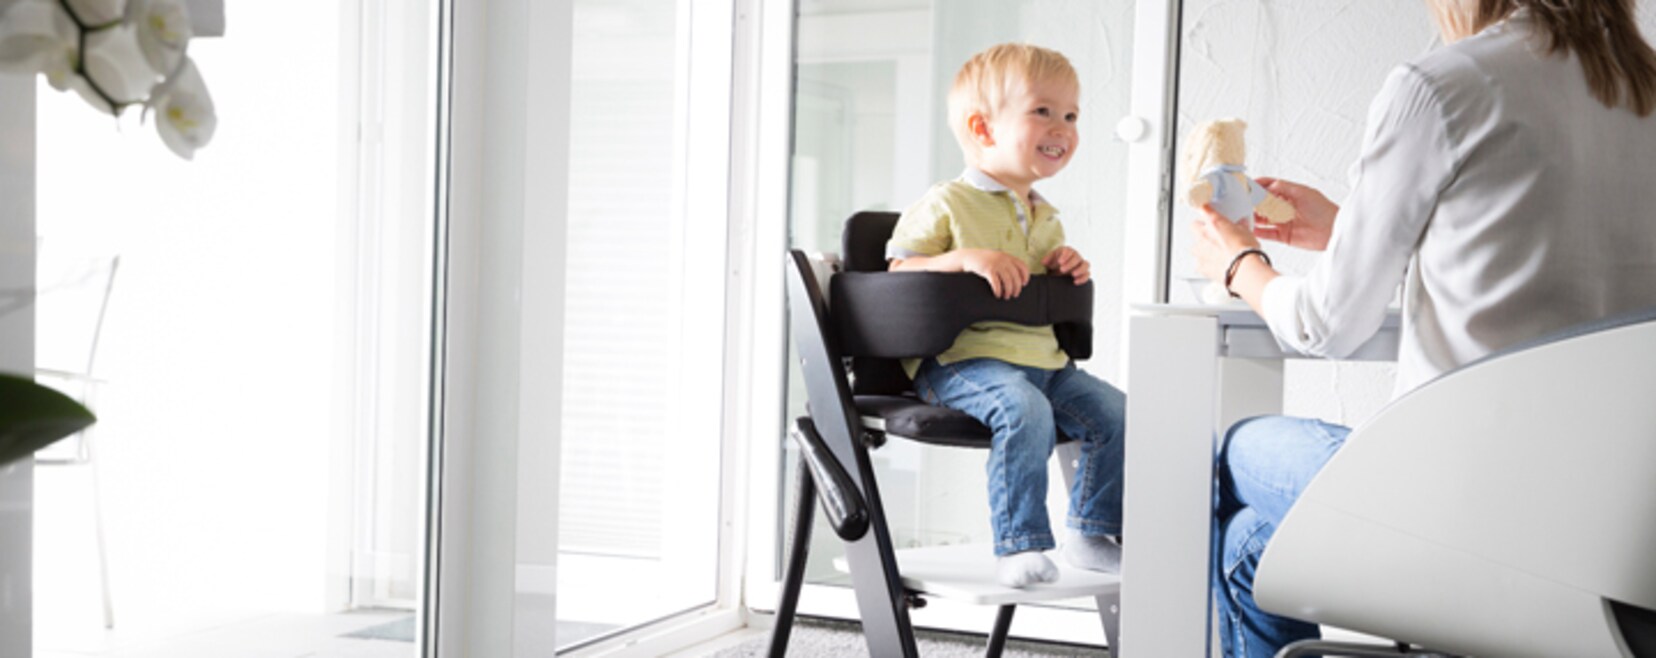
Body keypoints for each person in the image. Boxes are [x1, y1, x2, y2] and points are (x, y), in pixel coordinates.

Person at [1190, 1, 1656, 655]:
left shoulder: (1445, 84)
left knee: (1236, 449)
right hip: (1612, 538)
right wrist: (1353, 226)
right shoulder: (1643, 84)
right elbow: (1560, 264)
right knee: (1247, 548)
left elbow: (1326, 324)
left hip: (1461, 514)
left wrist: (1241, 265)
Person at [885, 43, 1126, 588]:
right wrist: (964, 258)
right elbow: (899, 272)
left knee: (1116, 414)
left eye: (1071, 115)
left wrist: (1066, 267)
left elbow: (1041, 285)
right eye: (1043, 110)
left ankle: (1092, 533)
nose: (1062, 126)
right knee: (1025, 409)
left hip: (1045, 362)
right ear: (983, 128)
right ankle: (1020, 544)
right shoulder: (947, 202)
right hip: (962, 362)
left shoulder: (1047, 216)